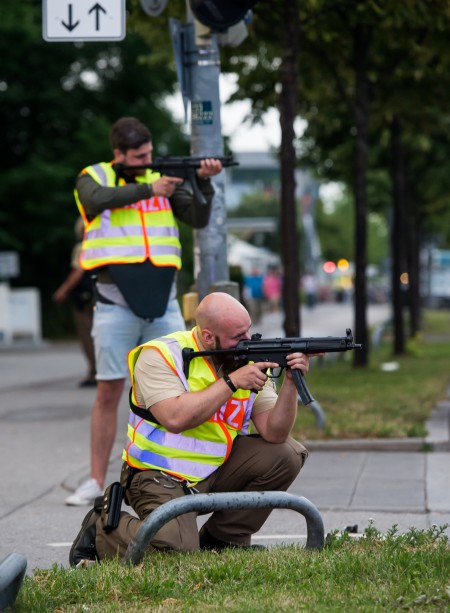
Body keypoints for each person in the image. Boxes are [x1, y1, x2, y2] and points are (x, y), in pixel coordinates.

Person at [69, 292, 310, 564]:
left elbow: (275, 433)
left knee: (287, 454)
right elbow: (175, 418)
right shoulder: (159, 356)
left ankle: (222, 541)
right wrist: (231, 383)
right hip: (158, 473)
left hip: (214, 466)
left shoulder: (248, 359)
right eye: (237, 336)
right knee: (176, 553)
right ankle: (101, 529)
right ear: (208, 337)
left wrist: (291, 382)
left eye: (248, 330)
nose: (248, 340)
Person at [65, 117, 223, 506]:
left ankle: (172, 474)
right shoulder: (94, 175)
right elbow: (94, 201)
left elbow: (198, 217)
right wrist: (148, 188)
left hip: (162, 301)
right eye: (139, 156)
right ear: (118, 154)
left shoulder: (162, 180)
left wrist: (203, 182)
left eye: (150, 154)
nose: (147, 160)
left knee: (176, 386)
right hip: (114, 301)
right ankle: (95, 481)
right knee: (109, 390)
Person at [53, 217, 97, 387]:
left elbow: (78, 271)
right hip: (100, 296)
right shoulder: (103, 245)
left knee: (87, 335)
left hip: (85, 299)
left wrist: (62, 290)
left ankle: (95, 373)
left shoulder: (82, 246)